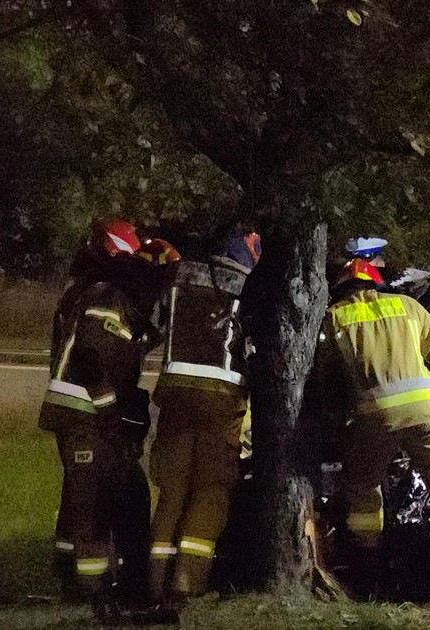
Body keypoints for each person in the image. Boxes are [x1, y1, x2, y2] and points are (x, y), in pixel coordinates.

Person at [320, 256, 430, 600]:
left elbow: (330, 383)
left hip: (374, 419)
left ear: (342, 288)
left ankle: (366, 573)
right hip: (428, 415)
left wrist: (338, 427)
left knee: (363, 490)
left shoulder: (334, 317)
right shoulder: (409, 307)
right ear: (377, 283)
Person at [39, 219, 175, 621]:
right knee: (94, 504)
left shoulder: (92, 290)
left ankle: (90, 579)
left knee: (102, 495)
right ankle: (92, 592)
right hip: (88, 412)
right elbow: (95, 357)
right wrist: (114, 410)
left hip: (83, 411)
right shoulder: (108, 296)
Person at [146, 231, 258, 614]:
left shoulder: (178, 278)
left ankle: (154, 580)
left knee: (172, 490)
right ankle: (187, 583)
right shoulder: (248, 287)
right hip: (220, 399)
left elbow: (155, 327)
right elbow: (254, 349)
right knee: (210, 491)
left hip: (175, 393)